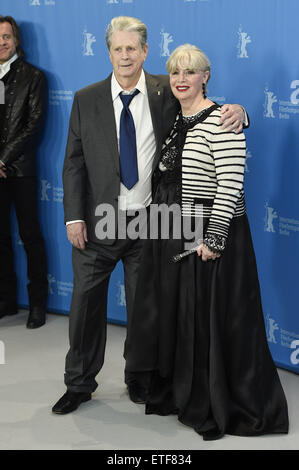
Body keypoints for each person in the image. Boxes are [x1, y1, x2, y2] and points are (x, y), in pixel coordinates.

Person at [52, 16, 247, 415]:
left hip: (150, 224)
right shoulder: (85, 98)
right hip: (98, 221)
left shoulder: (165, 91)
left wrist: (241, 112)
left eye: (132, 48)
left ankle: (139, 378)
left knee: (146, 309)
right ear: (108, 52)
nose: (125, 55)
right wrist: (74, 217)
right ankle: (79, 383)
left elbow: (204, 110)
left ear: (144, 52)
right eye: (117, 48)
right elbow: (73, 163)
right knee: (85, 308)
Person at [125, 44, 289, 440]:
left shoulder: (223, 121)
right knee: (187, 320)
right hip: (178, 232)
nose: (182, 79)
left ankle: (218, 400)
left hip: (214, 235)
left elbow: (231, 185)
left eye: (191, 72)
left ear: (206, 76)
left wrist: (214, 238)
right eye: (176, 72)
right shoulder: (176, 117)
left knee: (215, 322)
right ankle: (187, 392)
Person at [0, 15, 48, 329]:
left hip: (20, 170)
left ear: (16, 40)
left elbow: (34, 127)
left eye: (6, 36)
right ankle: (5, 300)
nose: (1, 42)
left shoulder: (34, 77)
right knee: (0, 239)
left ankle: (37, 305)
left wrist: (2, 159)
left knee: (30, 236)